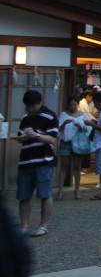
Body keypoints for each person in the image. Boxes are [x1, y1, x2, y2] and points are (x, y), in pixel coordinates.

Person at [16, 90, 58, 236]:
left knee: (45, 193)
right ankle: (23, 225)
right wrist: (22, 138)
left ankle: (43, 225)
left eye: (32, 106)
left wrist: (37, 135)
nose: (30, 109)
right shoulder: (25, 118)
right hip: (26, 160)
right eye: (28, 106)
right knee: (23, 195)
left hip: (43, 160)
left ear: (40, 103)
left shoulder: (50, 116)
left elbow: (53, 138)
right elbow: (19, 136)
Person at [56, 95, 95, 200]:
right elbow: (58, 129)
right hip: (66, 141)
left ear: (78, 104)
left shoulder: (83, 115)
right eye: (70, 104)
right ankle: (60, 190)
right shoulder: (63, 115)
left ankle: (77, 189)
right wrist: (64, 124)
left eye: (74, 104)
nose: (72, 106)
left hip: (78, 143)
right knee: (64, 166)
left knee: (77, 167)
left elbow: (88, 128)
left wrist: (81, 126)